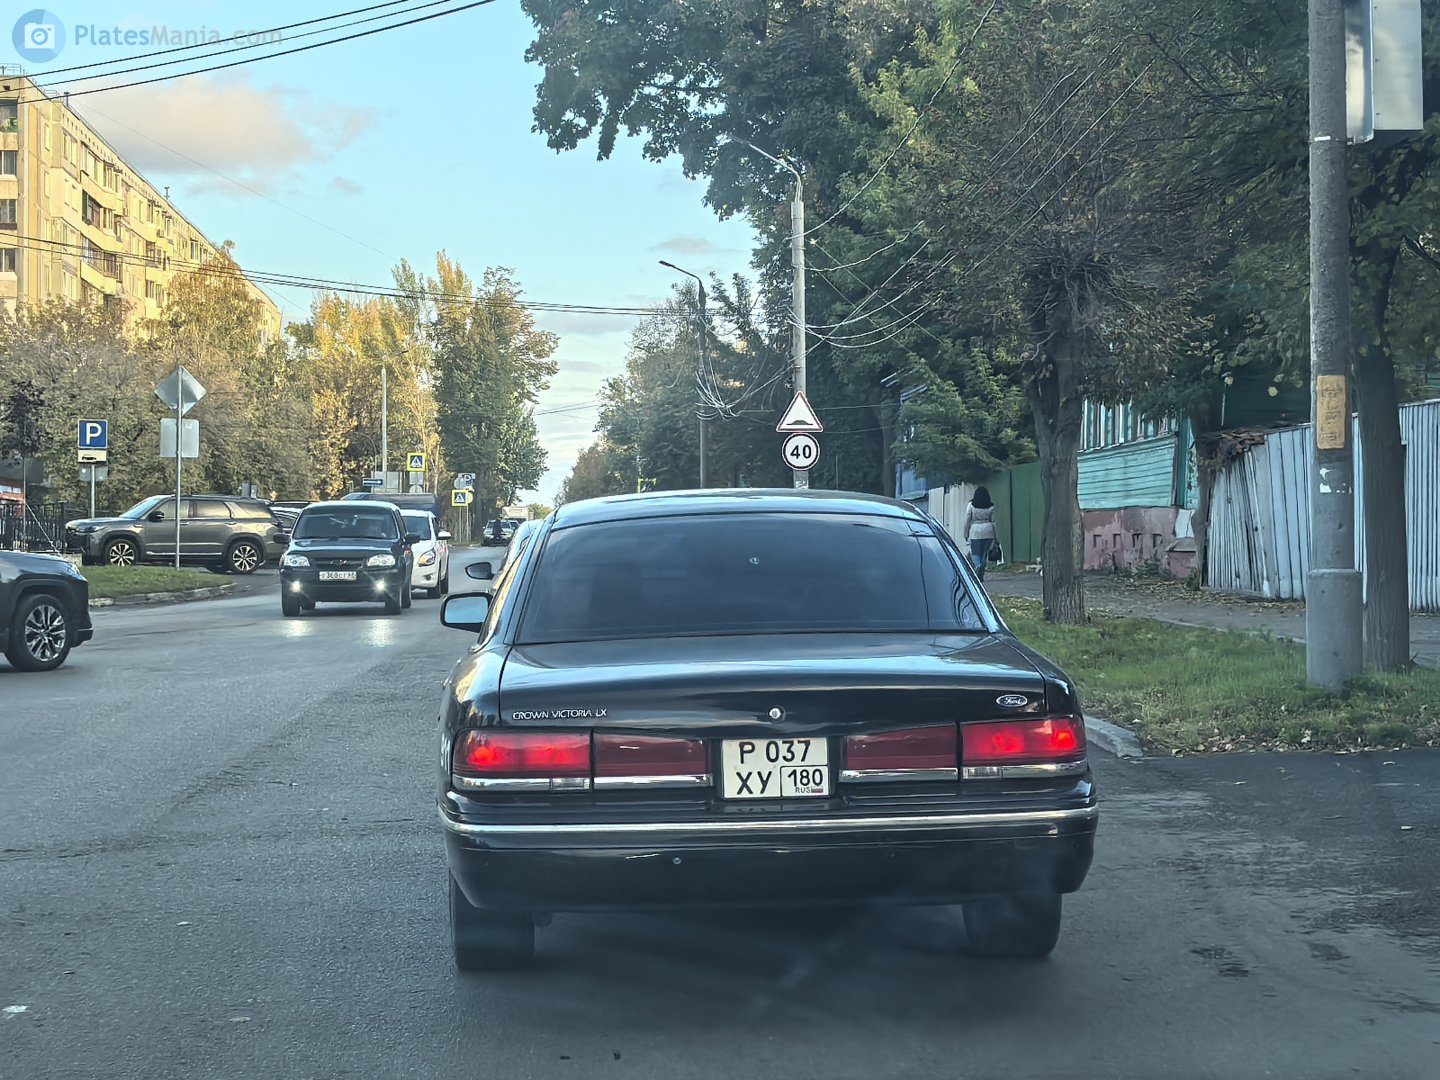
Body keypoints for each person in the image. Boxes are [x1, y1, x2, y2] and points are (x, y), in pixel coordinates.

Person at [961, 486, 998, 580]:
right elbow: (994, 522)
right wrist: (995, 536)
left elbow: (967, 520)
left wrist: (965, 533)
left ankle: (978, 565)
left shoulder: (971, 505)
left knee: (975, 553)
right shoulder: (991, 506)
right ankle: (981, 574)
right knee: (984, 554)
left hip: (975, 531)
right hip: (988, 531)